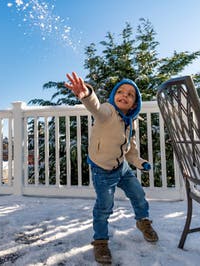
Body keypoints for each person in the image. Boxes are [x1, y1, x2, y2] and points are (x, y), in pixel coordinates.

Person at [65, 72, 158, 264]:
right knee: (104, 207)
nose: (124, 95)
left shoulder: (129, 122)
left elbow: (131, 151)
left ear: (134, 104)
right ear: (114, 95)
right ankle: (100, 241)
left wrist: (141, 163)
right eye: (121, 91)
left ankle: (143, 221)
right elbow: (96, 108)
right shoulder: (107, 112)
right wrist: (86, 94)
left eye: (130, 94)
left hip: (122, 168)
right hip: (102, 171)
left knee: (138, 194)